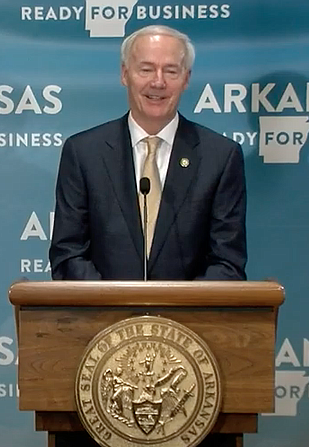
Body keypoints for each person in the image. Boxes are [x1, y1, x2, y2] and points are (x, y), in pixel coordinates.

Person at [48, 25, 247, 281]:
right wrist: (117, 313)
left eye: (171, 71)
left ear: (186, 79)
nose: (158, 82)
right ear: (125, 74)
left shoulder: (220, 157)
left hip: (188, 320)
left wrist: (172, 318)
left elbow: (227, 263)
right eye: (146, 69)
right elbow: (68, 255)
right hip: (102, 318)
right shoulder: (84, 152)